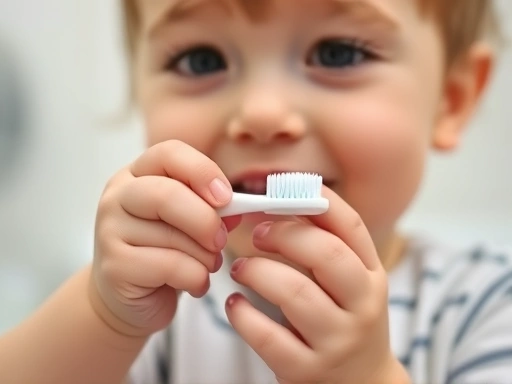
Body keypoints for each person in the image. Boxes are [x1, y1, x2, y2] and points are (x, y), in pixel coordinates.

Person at [1, 0, 511, 383]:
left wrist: (368, 374)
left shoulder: (485, 308)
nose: (262, 114)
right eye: (201, 60)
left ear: (451, 97)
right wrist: (102, 318)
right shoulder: (151, 307)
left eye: (337, 53)